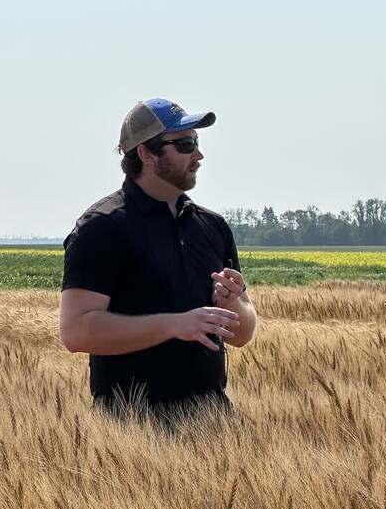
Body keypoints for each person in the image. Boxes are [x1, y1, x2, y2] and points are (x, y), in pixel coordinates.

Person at [59, 98, 257, 420]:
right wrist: (175, 324)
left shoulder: (213, 227)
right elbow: (76, 331)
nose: (198, 155)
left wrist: (232, 303)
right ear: (146, 154)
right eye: (185, 144)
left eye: (197, 142)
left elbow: (242, 334)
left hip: (215, 423)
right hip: (130, 430)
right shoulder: (102, 227)